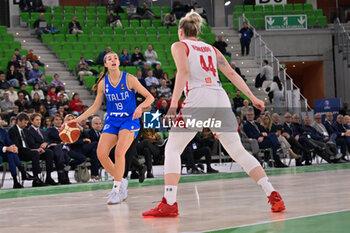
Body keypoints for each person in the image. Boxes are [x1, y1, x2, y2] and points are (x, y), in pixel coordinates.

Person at [143, 12, 285, 217]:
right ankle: (272, 194)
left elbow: (182, 72)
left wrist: (173, 104)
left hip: (199, 97)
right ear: (197, 31)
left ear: (180, 31)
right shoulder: (211, 49)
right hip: (220, 97)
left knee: (173, 147)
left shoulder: (179, 45)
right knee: (238, 151)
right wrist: (253, 97)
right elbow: (232, 74)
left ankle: (170, 202)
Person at [68, 51, 154, 205]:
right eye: (109, 59)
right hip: (112, 120)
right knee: (101, 154)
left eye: (115, 58)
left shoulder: (129, 79)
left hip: (129, 120)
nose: (113, 60)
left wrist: (140, 107)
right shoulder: (103, 83)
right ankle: (122, 181)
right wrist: (77, 120)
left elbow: (150, 97)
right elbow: (95, 106)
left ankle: (116, 190)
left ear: (119, 63)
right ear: (106, 64)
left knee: (120, 152)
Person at [8, 113, 50, 187]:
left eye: (27, 123)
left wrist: (38, 149)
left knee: (48, 152)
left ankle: (48, 177)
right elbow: (17, 145)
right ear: (19, 121)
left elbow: (31, 144)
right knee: (35, 153)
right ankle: (36, 179)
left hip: (27, 151)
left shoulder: (26, 131)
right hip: (19, 152)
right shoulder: (12, 130)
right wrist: (33, 150)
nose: (26, 125)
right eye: (24, 122)